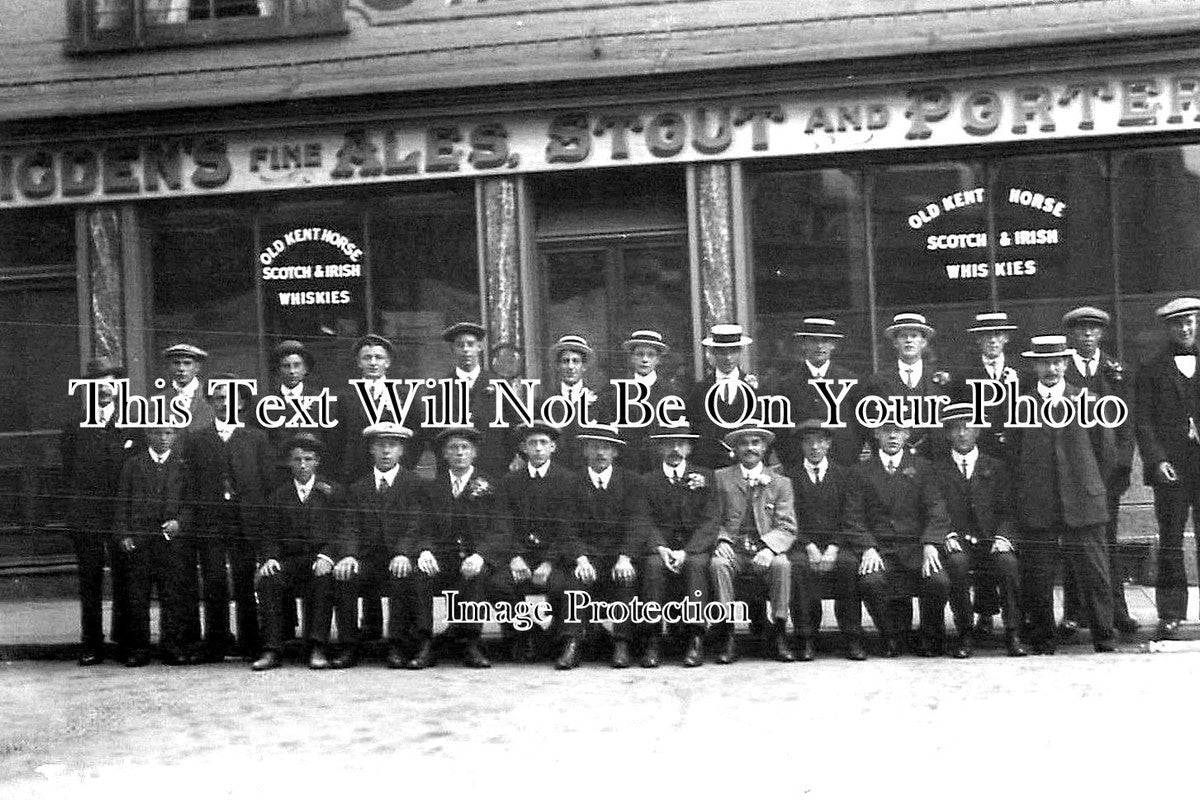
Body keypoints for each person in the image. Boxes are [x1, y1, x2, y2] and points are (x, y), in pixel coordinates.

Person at [1011, 335, 1117, 654]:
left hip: (1083, 499)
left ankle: (1104, 635)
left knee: (1095, 572)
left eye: (1057, 362)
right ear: (1034, 366)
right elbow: (1013, 457)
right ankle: (1044, 638)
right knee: (1039, 576)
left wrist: (1090, 485)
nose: (1051, 369)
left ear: (1067, 364)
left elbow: (1106, 453)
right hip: (1039, 502)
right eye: (1044, 363)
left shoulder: (1088, 400)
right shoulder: (1021, 405)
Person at [1059, 306, 1139, 637]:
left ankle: (1117, 611)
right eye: (1080, 330)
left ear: (1102, 334)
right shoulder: (1062, 371)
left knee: (1107, 543)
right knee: (1073, 543)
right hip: (1073, 473)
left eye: (1093, 330)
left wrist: (1121, 466)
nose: (1087, 335)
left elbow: (1126, 424)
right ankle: (1074, 612)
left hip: (1107, 476)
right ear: (1072, 336)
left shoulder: (1115, 371)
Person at [182, 376, 274, 662]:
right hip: (211, 521)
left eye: (231, 398)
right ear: (211, 403)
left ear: (243, 403)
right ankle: (216, 641)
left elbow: (267, 482)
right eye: (219, 398)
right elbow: (190, 483)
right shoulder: (198, 439)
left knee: (245, 580)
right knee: (214, 580)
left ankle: (249, 641)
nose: (225, 403)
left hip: (245, 521)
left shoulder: (256, 438)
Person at [252, 433, 356, 670]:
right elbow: (269, 531)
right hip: (289, 560)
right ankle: (272, 649)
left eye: (308, 459)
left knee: (323, 578)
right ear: (289, 462)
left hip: (319, 558)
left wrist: (328, 556)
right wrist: (269, 558)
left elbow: (343, 529)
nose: (302, 465)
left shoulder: (333, 492)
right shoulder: (279, 495)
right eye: (297, 459)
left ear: (317, 461)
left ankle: (317, 646)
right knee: (269, 579)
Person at [949, 311, 1022, 639]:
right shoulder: (965, 376)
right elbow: (957, 417)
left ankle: (1016, 619)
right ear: (978, 340)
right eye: (986, 335)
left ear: (1005, 339)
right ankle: (983, 614)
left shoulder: (1020, 373)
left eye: (998, 335)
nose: (992, 340)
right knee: (975, 526)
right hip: (975, 458)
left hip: (1014, 461)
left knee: (1001, 531)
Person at [932, 404, 1026, 658]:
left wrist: (1004, 537)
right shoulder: (937, 470)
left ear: (979, 431)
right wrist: (947, 534)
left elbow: (1009, 510)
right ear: (947, 434)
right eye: (955, 428)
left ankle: (1012, 633)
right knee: (957, 565)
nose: (962, 433)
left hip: (991, 541)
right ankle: (965, 633)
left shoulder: (997, 467)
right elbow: (935, 508)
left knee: (1008, 564)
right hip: (958, 542)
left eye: (968, 427)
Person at [852, 420, 952, 657]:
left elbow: (937, 510)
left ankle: (929, 635)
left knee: (939, 581)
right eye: (887, 430)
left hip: (915, 549)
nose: (893, 436)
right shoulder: (860, 471)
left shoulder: (923, 468)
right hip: (881, 550)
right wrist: (868, 547)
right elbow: (853, 517)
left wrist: (930, 544)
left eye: (898, 431)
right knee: (870, 582)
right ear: (876, 434)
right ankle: (890, 637)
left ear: (907, 434)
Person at [407, 426, 503, 669]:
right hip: (442, 558)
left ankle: (472, 643)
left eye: (465, 448)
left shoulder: (491, 486)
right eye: (453, 448)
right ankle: (425, 642)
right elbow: (420, 524)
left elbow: (501, 529)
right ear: (444, 455)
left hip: (474, 558)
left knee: (476, 575)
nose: (459, 453)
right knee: (421, 574)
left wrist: (481, 555)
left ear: (474, 453)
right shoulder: (431, 487)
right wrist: (425, 550)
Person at [491, 420, 585, 667]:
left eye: (544, 443)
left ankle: (567, 643)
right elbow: (503, 524)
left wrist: (549, 562)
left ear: (553, 447)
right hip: (520, 556)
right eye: (533, 443)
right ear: (524, 447)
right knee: (499, 584)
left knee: (568, 586)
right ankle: (527, 634)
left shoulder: (568, 480)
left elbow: (568, 526)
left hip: (554, 556)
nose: (539, 449)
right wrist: (514, 556)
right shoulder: (510, 481)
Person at [61, 356, 134, 665]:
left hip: (120, 516)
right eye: (97, 382)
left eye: (110, 381)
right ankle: (91, 643)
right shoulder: (74, 425)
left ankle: (126, 641)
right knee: (89, 579)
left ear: (118, 386)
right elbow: (69, 470)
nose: (104, 388)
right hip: (87, 514)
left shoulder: (132, 421)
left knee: (124, 577)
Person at [1134, 297, 1200, 641]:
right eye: (1178, 324)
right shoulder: (1151, 367)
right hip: (1171, 470)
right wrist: (1158, 460)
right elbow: (1143, 422)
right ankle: (1171, 614)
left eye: (1190, 322)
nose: (1185, 328)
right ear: (1168, 328)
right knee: (1171, 542)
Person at [705, 425, 797, 664]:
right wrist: (721, 539)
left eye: (756, 443)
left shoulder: (780, 482)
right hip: (734, 549)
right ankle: (727, 635)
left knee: (782, 565)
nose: (750, 448)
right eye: (744, 443)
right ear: (735, 448)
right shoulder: (720, 477)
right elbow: (712, 518)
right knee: (718, 564)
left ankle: (779, 633)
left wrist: (770, 548)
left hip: (765, 550)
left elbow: (787, 526)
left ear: (764, 448)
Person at [340, 422, 425, 669]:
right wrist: (349, 555)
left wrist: (403, 553)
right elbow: (350, 525)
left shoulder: (414, 484)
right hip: (368, 559)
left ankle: (396, 645)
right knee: (345, 575)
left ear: (402, 451)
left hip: (398, 557)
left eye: (393, 445)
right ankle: (349, 645)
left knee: (401, 574)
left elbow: (415, 524)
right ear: (371, 450)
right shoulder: (359, 487)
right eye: (380, 446)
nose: (386, 451)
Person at [784, 419, 869, 661]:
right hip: (802, 544)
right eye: (809, 442)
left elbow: (851, 515)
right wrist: (808, 545)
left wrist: (833, 547)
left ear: (829, 444)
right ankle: (806, 637)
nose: (814, 447)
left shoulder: (844, 474)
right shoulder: (790, 477)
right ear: (801, 445)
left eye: (820, 441)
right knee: (798, 567)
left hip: (837, 543)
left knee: (849, 565)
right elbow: (787, 518)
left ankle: (852, 636)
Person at [113, 424, 192, 667]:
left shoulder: (183, 466)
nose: (163, 438)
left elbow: (191, 503)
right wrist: (124, 534)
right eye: (158, 433)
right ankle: (138, 648)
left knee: (172, 594)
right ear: (148, 435)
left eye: (169, 433)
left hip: (170, 542)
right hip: (140, 539)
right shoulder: (133, 465)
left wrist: (179, 522)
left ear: (175, 436)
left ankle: (172, 646)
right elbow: (122, 501)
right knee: (137, 595)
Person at [570, 424, 648, 668]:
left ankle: (621, 642)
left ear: (615, 453)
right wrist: (580, 558)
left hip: (619, 555)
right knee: (574, 581)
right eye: (594, 447)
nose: (600, 453)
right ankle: (571, 643)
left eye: (606, 448)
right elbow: (566, 526)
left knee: (626, 578)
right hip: (588, 555)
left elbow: (638, 523)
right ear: (585, 451)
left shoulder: (631, 481)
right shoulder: (573, 481)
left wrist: (625, 557)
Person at [639, 424, 714, 667]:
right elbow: (644, 518)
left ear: (689, 448)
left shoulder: (705, 476)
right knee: (652, 566)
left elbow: (711, 520)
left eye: (680, 443)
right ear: (660, 448)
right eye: (669, 443)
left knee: (696, 566)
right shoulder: (647, 480)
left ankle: (695, 637)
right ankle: (653, 638)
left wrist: (687, 551)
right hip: (661, 548)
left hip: (693, 548)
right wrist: (660, 547)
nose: (674, 448)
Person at [862, 313, 952, 458]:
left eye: (914, 335)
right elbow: (870, 424)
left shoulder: (940, 381)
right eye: (903, 336)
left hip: (933, 457)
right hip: (894, 458)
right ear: (895, 342)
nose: (909, 340)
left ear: (924, 342)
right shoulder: (877, 382)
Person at [777, 318, 863, 469]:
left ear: (833, 345)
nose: (819, 346)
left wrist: (852, 455)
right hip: (801, 466)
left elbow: (859, 425)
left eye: (825, 341)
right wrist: (791, 461)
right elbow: (781, 431)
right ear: (803, 344)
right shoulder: (787, 384)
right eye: (813, 341)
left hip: (844, 464)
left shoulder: (850, 381)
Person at [686, 323, 767, 470]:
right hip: (709, 467)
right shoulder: (699, 391)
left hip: (745, 468)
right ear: (713, 353)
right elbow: (693, 432)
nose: (728, 357)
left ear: (740, 351)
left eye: (733, 351)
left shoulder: (754, 389)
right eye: (722, 352)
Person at [439, 322, 512, 477]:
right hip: (453, 470)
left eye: (470, 344)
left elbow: (513, 428)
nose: (466, 350)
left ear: (480, 347)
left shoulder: (498, 384)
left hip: (492, 468)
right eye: (460, 345)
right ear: (453, 349)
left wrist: (503, 459)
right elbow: (433, 432)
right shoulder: (440, 388)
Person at [600, 329, 679, 473]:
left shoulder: (671, 394)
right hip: (625, 465)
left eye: (651, 355)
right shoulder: (615, 392)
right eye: (639, 354)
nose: (644, 359)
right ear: (631, 358)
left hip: (660, 466)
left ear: (658, 359)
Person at [530, 334, 600, 472]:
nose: (570, 367)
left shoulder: (599, 401)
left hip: (588, 471)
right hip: (555, 471)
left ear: (584, 366)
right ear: (557, 366)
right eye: (565, 361)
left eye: (576, 361)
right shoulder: (543, 402)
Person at [160, 342, 216, 434]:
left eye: (187, 363)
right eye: (176, 363)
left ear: (197, 367)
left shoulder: (213, 396)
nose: (181, 368)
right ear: (168, 367)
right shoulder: (157, 401)